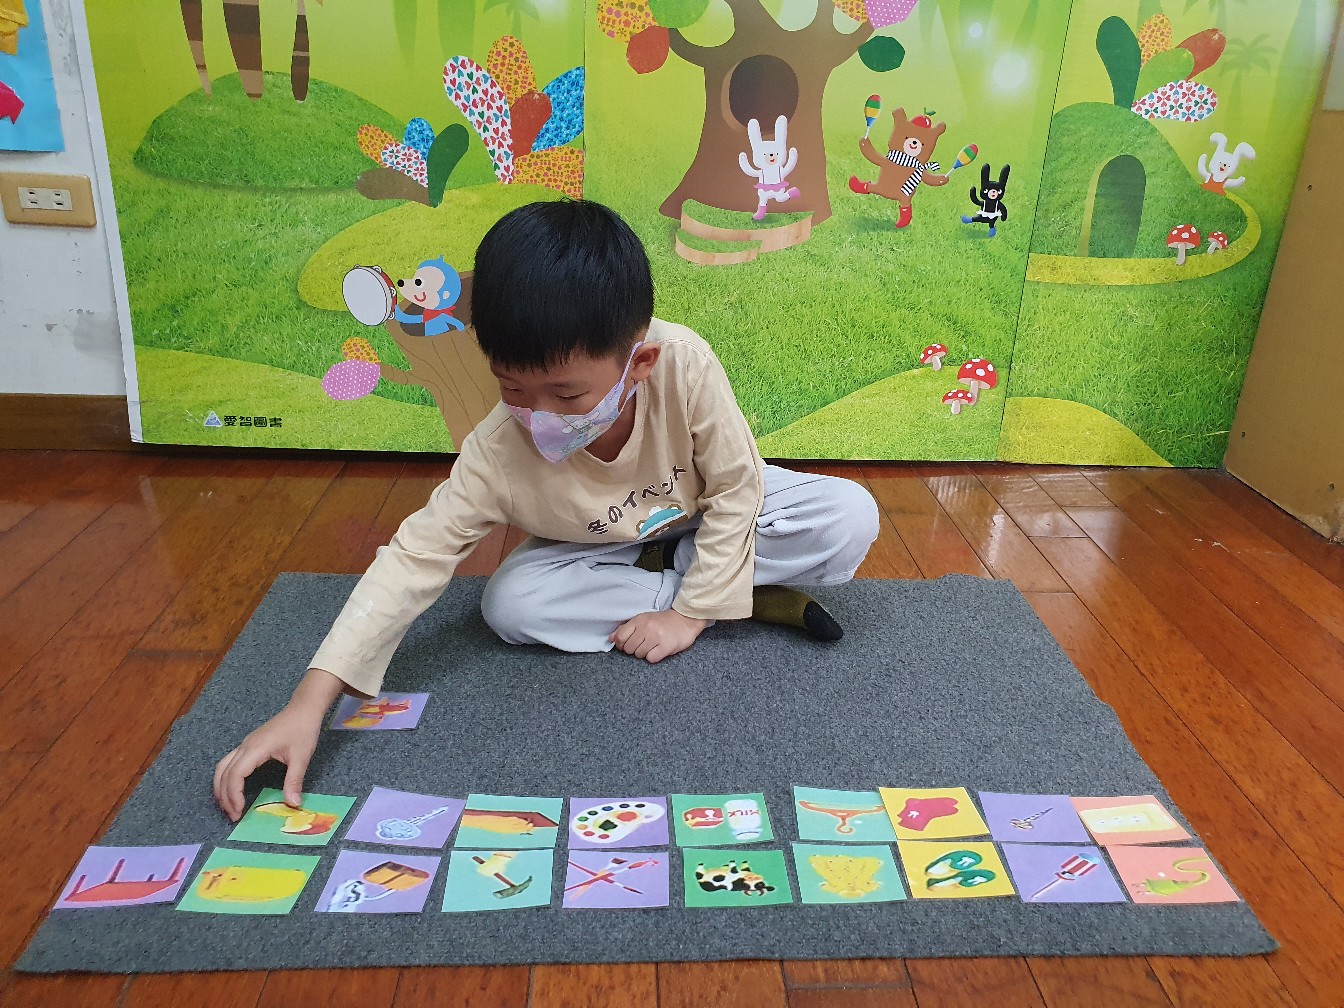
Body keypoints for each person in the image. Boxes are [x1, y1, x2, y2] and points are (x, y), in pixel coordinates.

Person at [213, 200, 879, 820]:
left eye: (566, 395)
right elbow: (416, 556)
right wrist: (307, 705)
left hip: (703, 513)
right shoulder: (497, 450)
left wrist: (688, 615)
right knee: (510, 606)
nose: (539, 417)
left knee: (849, 516)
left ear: (639, 362)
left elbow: (735, 490)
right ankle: (735, 588)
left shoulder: (684, 364)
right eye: (513, 389)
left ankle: (704, 584)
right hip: (600, 549)